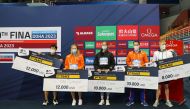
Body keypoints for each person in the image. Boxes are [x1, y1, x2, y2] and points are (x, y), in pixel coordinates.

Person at [126, 41, 149, 107]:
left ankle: (143, 101)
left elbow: (146, 62)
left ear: (139, 45)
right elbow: (127, 61)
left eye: (137, 45)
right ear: (133, 46)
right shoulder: (130, 53)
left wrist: (142, 65)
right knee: (132, 87)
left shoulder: (143, 53)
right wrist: (131, 65)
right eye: (134, 45)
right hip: (133, 72)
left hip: (141, 72)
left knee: (142, 87)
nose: (136, 46)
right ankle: (131, 100)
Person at [152, 41, 173, 107]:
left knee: (166, 87)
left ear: (165, 45)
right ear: (159, 45)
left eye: (164, 44)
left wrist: (173, 52)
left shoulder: (169, 53)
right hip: (159, 72)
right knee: (158, 87)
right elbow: (153, 62)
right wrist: (154, 64)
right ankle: (156, 101)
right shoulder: (156, 53)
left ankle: (167, 101)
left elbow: (173, 61)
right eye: (161, 44)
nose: (163, 45)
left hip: (167, 72)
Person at [93, 41, 115, 105]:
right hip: (100, 73)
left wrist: (109, 69)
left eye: (105, 45)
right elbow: (95, 64)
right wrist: (97, 69)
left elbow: (113, 64)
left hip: (107, 72)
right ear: (101, 46)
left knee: (107, 86)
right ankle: (102, 99)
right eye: (103, 45)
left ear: (107, 46)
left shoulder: (110, 54)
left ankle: (107, 99)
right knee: (101, 86)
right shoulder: (98, 54)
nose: (104, 46)